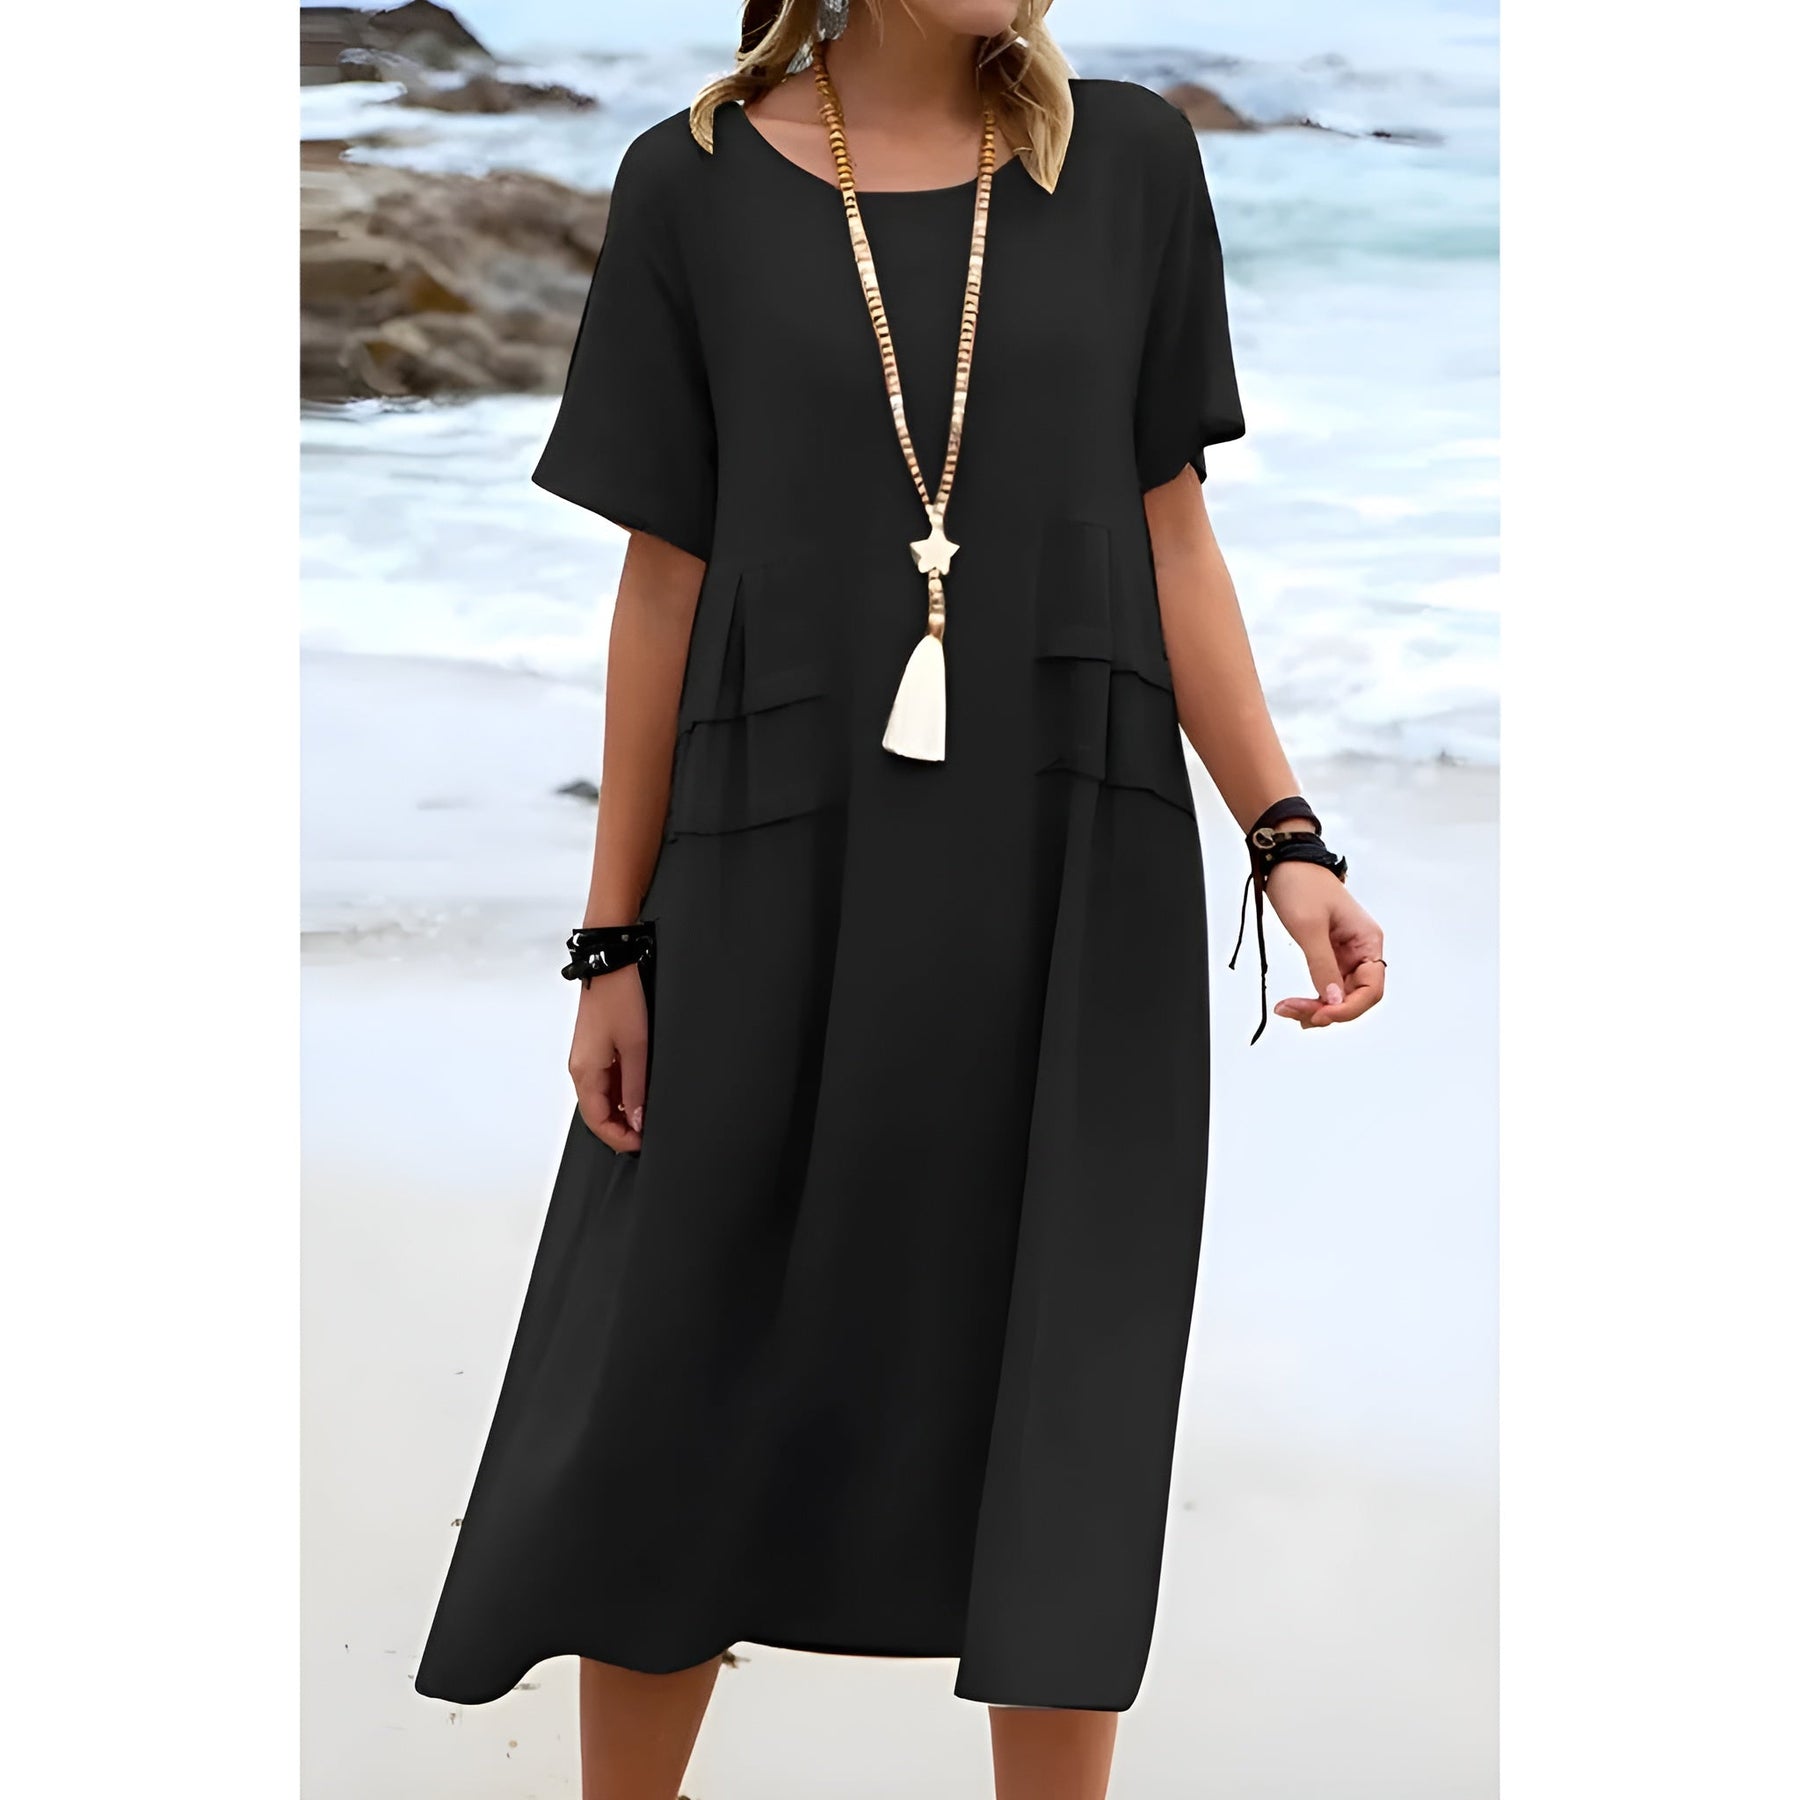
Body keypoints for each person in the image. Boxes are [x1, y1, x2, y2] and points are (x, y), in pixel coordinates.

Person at [415, 3, 1387, 1796]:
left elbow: (1171, 529)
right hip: (770, 855)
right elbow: (661, 585)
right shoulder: (693, 184)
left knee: (1063, 1372)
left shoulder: (1129, 164)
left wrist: (1287, 835)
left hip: (1070, 863)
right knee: (679, 1368)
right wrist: (613, 941)